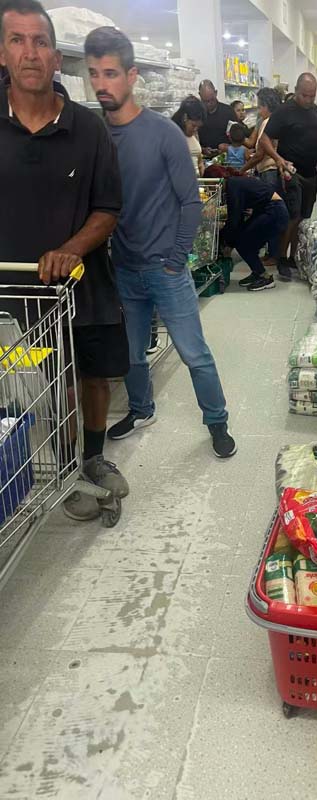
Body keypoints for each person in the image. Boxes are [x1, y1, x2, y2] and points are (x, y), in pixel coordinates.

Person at [0, 0, 129, 521]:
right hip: (16, 294)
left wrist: (71, 250)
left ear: (56, 57)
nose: (30, 53)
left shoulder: (88, 129)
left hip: (85, 282)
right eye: (17, 40)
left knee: (92, 376)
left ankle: (92, 458)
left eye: (40, 42)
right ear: (2, 53)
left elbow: (108, 208)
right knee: (46, 386)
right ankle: (62, 465)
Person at [84, 27, 236, 458]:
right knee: (132, 354)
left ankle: (217, 421)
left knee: (194, 353)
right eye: (93, 73)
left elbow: (191, 202)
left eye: (110, 73)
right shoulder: (96, 135)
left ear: (131, 75)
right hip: (124, 269)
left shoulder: (162, 133)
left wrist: (176, 257)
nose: (101, 84)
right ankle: (141, 409)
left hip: (166, 271)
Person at [261, 73, 317, 280]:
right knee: (292, 217)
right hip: (291, 172)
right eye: (304, 95)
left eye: (312, 95)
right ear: (296, 90)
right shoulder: (284, 111)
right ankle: (281, 258)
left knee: (302, 218)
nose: (309, 100)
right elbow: (264, 139)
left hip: (311, 173)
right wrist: (278, 159)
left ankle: (293, 256)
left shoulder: (315, 112)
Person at [206, 166, 289, 292]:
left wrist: (227, 242)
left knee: (243, 243)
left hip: (274, 212)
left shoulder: (233, 186)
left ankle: (264, 277)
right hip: (272, 210)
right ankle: (257, 272)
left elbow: (234, 219)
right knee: (244, 240)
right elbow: (237, 217)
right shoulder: (234, 183)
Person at [241, 87, 282, 268]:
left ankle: (273, 254)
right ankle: (271, 252)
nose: (258, 110)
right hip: (269, 171)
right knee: (271, 212)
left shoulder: (268, 123)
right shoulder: (272, 121)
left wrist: (242, 170)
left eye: (259, 106)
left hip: (269, 172)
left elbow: (260, 154)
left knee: (270, 213)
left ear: (266, 106)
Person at [197, 79, 236, 158]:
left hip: (226, 157)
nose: (209, 104)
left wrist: (228, 148)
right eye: (205, 101)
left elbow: (237, 138)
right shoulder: (197, 114)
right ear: (200, 95)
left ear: (216, 93)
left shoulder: (228, 111)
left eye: (212, 100)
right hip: (204, 157)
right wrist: (202, 149)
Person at [172, 94, 206, 176]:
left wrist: (201, 166)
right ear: (185, 118)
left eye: (198, 127)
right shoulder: (172, 135)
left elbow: (199, 159)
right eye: (193, 125)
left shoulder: (194, 135)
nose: (195, 129)